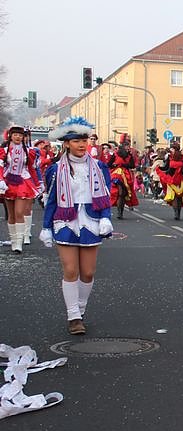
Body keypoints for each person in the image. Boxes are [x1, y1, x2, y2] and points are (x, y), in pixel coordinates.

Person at [40, 117, 114, 335]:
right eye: (76, 141)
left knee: (88, 272)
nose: (82, 145)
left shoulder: (99, 167)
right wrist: (46, 227)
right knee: (71, 270)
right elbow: (51, 200)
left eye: (84, 140)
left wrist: (105, 217)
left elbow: (106, 196)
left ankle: (80, 309)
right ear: (66, 143)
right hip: (65, 219)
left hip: (91, 220)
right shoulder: (55, 169)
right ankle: (73, 316)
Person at [0, 124, 41, 253]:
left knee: (19, 212)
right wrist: (1, 180)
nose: (18, 137)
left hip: (23, 182)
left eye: (20, 135)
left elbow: (31, 169)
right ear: (10, 136)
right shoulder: (4, 150)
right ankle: (13, 241)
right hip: (8, 182)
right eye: (15, 135)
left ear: (23, 137)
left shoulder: (28, 152)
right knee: (11, 214)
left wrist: (38, 184)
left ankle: (19, 243)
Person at [157, 142, 183, 220]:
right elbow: (166, 167)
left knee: (177, 196)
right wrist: (160, 168)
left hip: (177, 179)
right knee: (176, 196)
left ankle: (177, 212)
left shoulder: (181, 157)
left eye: (172, 149)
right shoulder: (172, 157)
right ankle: (177, 213)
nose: (171, 150)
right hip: (175, 179)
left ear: (174, 149)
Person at [108, 143, 139, 219]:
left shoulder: (129, 156)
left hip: (126, 175)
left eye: (128, 148)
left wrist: (125, 165)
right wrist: (114, 165)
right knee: (120, 193)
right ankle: (119, 212)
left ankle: (121, 211)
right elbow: (109, 164)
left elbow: (132, 166)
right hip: (117, 174)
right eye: (126, 148)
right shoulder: (115, 155)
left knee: (123, 194)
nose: (128, 149)